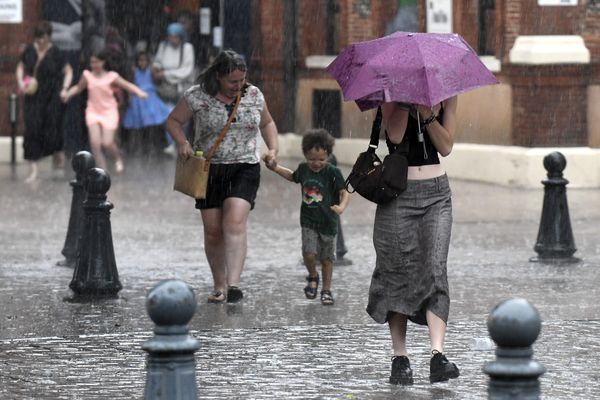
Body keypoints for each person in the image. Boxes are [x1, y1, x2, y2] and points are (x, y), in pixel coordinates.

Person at [166, 49, 279, 304]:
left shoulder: (254, 94)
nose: (238, 86)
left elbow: (267, 123)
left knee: (235, 222)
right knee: (213, 231)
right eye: (232, 82)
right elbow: (173, 121)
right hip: (209, 168)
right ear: (218, 76)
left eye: (241, 80)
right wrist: (183, 142)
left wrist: (273, 149)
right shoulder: (196, 96)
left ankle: (234, 284)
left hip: (245, 166)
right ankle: (219, 284)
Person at [366, 97, 460, 385]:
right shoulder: (390, 93)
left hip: (436, 194)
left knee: (434, 268)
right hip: (398, 193)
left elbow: (445, 146)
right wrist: (406, 103)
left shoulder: (447, 93)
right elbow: (394, 136)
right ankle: (400, 357)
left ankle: (438, 355)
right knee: (395, 270)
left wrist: (428, 115)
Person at [263, 129, 349, 305]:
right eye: (312, 159)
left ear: (328, 156)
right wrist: (274, 168)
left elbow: (344, 192)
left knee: (327, 259)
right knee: (308, 254)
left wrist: (341, 207)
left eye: (321, 160)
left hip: (328, 223)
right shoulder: (303, 169)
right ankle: (312, 275)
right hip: (308, 221)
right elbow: (292, 176)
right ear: (305, 155)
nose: (316, 163)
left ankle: (326, 290)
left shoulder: (332, 172)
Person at [61, 50, 148, 173]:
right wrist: (68, 94)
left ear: (103, 62)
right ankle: (103, 171)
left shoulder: (111, 76)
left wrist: (139, 92)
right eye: (92, 62)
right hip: (93, 111)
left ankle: (118, 158)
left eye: (96, 62)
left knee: (107, 143)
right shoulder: (87, 75)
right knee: (95, 143)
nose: (94, 65)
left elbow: (127, 85)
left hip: (109, 111)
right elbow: (78, 87)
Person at [15, 21, 73, 183]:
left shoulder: (56, 53)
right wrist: (20, 82)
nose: (41, 41)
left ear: (49, 37)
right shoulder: (29, 51)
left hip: (52, 96)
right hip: (33, 96)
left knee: (52, 129)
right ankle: (34, 169)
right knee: (32, 130)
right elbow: (20, 67)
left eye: (44, 38)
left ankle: (57, 153)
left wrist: (65, 88)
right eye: (39, 38)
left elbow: (68, 71)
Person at [152, 22, 195, 154]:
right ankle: (172, 143)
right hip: (167, 89)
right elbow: (157, 62)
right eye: (170, 37)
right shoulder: (163, 47)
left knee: (183, 118)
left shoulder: (187, 48)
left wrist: (166, 74)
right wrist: (155, 68)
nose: (173, 40)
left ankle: (182, 143)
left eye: (175, 37)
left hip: (182, 88)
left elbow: (186, 70)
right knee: (168, 116)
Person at [122, 51, 171, 156]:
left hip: (151, 99)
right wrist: (130, 97)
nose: (142, 63)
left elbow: (158, 81)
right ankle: (140, 147)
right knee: (138, 125)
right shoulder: (134, 72)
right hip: (137, 100)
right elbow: (130, 85)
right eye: (140, 61)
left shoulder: (151, 71)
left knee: (152, 124)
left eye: (144, 60)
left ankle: (153, 146)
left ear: (148, 61)